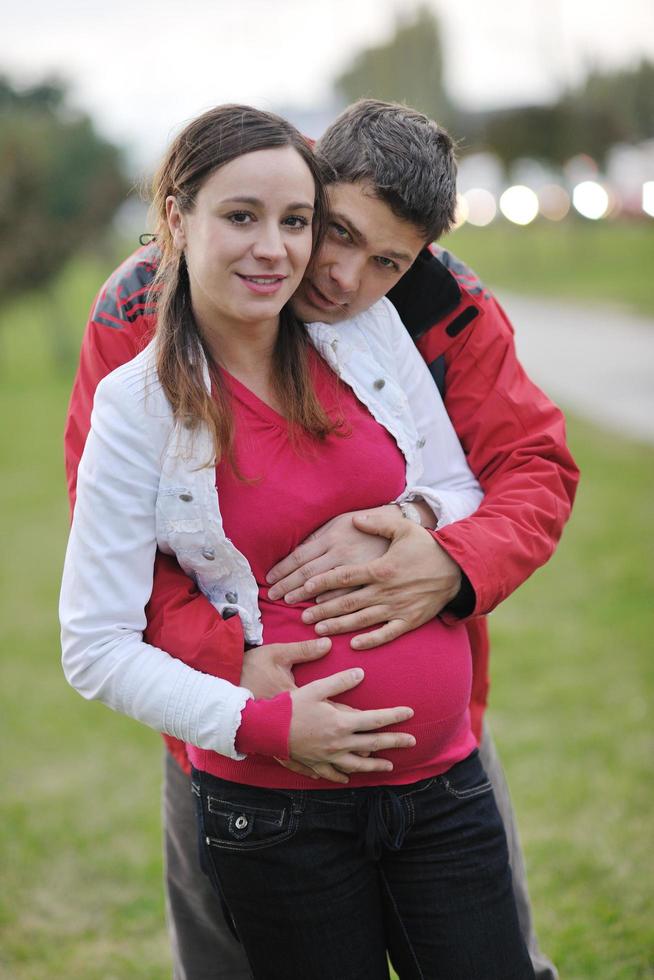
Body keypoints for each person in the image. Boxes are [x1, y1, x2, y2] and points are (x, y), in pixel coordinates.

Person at [64, 101, 579, 979]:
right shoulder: (140, 315)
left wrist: (444, 552)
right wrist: (240, 681)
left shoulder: (429, 305)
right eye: (329, 229)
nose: (338, 274)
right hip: (241, 747)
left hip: (438, 758)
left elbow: (530, 464)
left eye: (384, 258)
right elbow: (115, 550)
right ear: (308, 180)